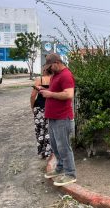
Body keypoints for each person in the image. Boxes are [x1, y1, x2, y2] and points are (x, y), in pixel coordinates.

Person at [39, 53, 77, 186]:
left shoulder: (66, 75)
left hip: (62, 118)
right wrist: (45, 91)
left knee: (64, 147)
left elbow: (69, 94)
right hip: (54, 117)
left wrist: (50, 94)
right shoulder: (55, 75)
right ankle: (60, 168)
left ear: (57, 62)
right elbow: (55, 90)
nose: (49, 68)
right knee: (55, 146)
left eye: (50, 66)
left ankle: (70, 174)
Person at [30, 66, 53, 159]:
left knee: (40, 130)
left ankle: (42, 152)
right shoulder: (53, 80)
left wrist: (32, 106)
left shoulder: (39, 80)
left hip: (39, 107)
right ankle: (49, 152)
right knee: (49, 130)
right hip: (50, 107)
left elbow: (33, 95)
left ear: (44, 71)